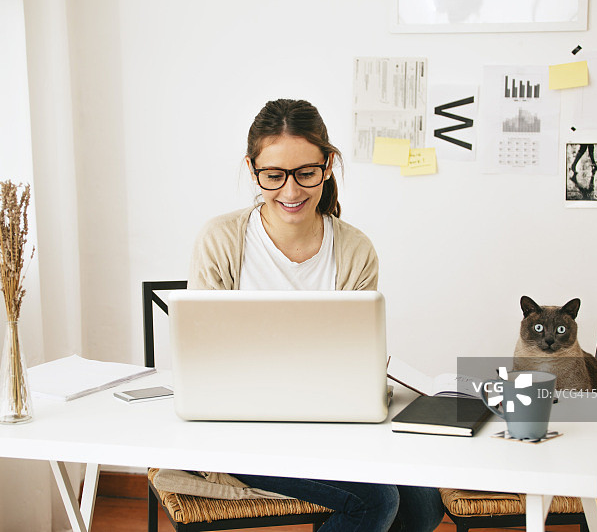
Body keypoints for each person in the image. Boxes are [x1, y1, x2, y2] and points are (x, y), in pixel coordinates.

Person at [188, 98, 444, 532]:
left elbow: (357, 361)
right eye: (274, 176)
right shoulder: (220, 239)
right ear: (253, 170)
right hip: (242, 429)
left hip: (334, 424)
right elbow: (204, 358)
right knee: (376, 501)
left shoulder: (355, 248)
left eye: (306, 173)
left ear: (327, 166)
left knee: (424, 504)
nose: (291, 192)